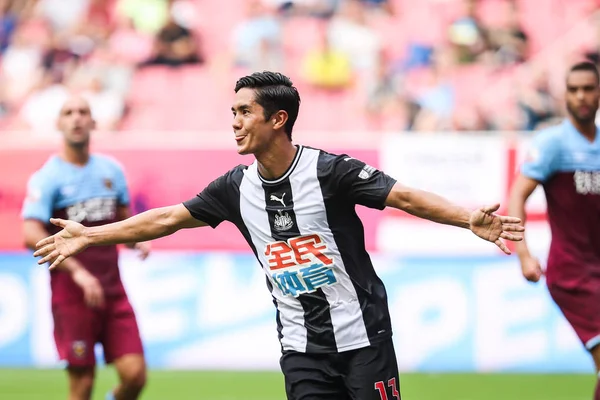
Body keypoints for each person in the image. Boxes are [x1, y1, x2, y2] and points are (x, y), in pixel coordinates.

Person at [34, 71, 524, 400]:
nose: (234, 121)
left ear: (278, 119)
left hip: (364, 338)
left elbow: (405, 197)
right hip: (301, 348)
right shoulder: (233, 187)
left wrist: (467, 219)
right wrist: (91, 236)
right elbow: (166, 219)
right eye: (232, 112)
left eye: (244, 112)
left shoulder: (331, 171)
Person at [22, 96, 151, 400]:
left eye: (83, 112)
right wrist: (78, 273)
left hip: (112, 289)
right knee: (82, 385)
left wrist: (137, 240)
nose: (76, 118)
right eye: (68, 113)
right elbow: (30, 233)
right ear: (59, 124)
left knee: (135, 376)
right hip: (72, 293)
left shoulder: (111, 171)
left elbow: (122, 222)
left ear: (93, 123)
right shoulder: (48, 177)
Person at [508, 61, 600, 400]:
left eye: (588, 88)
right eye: (574, 90)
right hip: (573, 273)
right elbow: (517, 194)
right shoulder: (552, 144)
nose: (581, 96)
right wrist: (524, 254)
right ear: (565, 96)